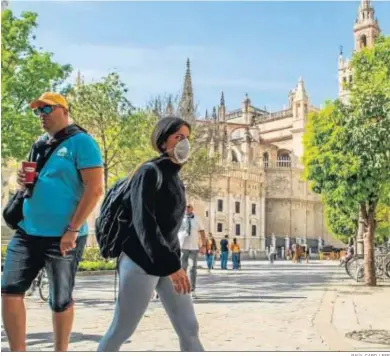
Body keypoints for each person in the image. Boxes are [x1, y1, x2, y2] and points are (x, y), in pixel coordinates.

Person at [1, 92, 104, 352]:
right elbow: (32, 182)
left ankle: (61, 350)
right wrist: (24, 183)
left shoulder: (82, 143)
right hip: (27, 231)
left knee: (60, 300)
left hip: (63, 236)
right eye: (38, 111)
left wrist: (71, 230)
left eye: (46, 109)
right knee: (9, 291)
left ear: (64, 110)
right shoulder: (39, 144)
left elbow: (94, 189)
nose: (41, 116)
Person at [98, 116, 204, 352]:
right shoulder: (149, 172)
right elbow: (145, 223)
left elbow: (170, 229)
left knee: (189, 327)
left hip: (168, 263)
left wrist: (174, 264)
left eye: (187, 138)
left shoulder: (176, 179)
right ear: (163, 141)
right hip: (140, 261)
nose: (184, 143)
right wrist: (172, 265)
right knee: (121, 331)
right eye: (178, 137)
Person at [178, 204, 207, 299]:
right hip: (182, 247)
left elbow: (202, 232)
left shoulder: (197, 219)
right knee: (182, 269)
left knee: (193, 268)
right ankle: (182, 289)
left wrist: (203, 246)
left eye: (189, 206)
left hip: (194, 247)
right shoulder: (179, 218)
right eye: (185, 206)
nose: (186, 208)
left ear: (192, 208)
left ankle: (192, 290)